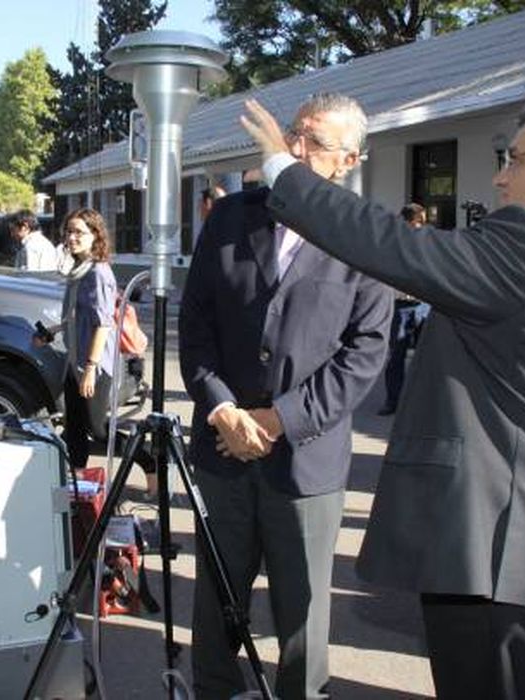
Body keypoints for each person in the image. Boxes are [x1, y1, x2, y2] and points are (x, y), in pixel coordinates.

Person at [240, 95, 525, 699]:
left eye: (514, 159)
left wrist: (285, 170)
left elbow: (395, 247)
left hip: (490, 556)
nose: (500, 177)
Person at [179, 93, 393, 700]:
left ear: (349, 160)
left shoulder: (366, 235)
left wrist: (278, 420)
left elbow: (365, 353)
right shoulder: (230, 217)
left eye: (314, 142)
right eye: (294, 133)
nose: (295, 149)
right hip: (223, 449)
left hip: (306, 460)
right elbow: (195, 325)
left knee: (303, 617)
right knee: (216, 602)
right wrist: (222, 408)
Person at [32, 208, 155, 490]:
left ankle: (148, 461)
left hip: (94, 366)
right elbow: (78, 317)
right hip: (75, 363)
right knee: (74, 428)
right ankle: (77, 488)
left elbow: (103, 324)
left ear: (95, 236)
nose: (72, 237)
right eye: (69, 231)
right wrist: (51, 333)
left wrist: (90, 368)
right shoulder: (80, 270)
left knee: (98, 430)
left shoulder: (98, 273)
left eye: (79, 232)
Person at [378, 202, 431, 416]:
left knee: (426, 357)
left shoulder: (426, 243)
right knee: (396, 356)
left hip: (423, 306)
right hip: (401, 306)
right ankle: (393, 401)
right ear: (408, 222)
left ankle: (422, 403)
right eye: (420, 221)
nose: (423, 225)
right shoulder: (392, 245)